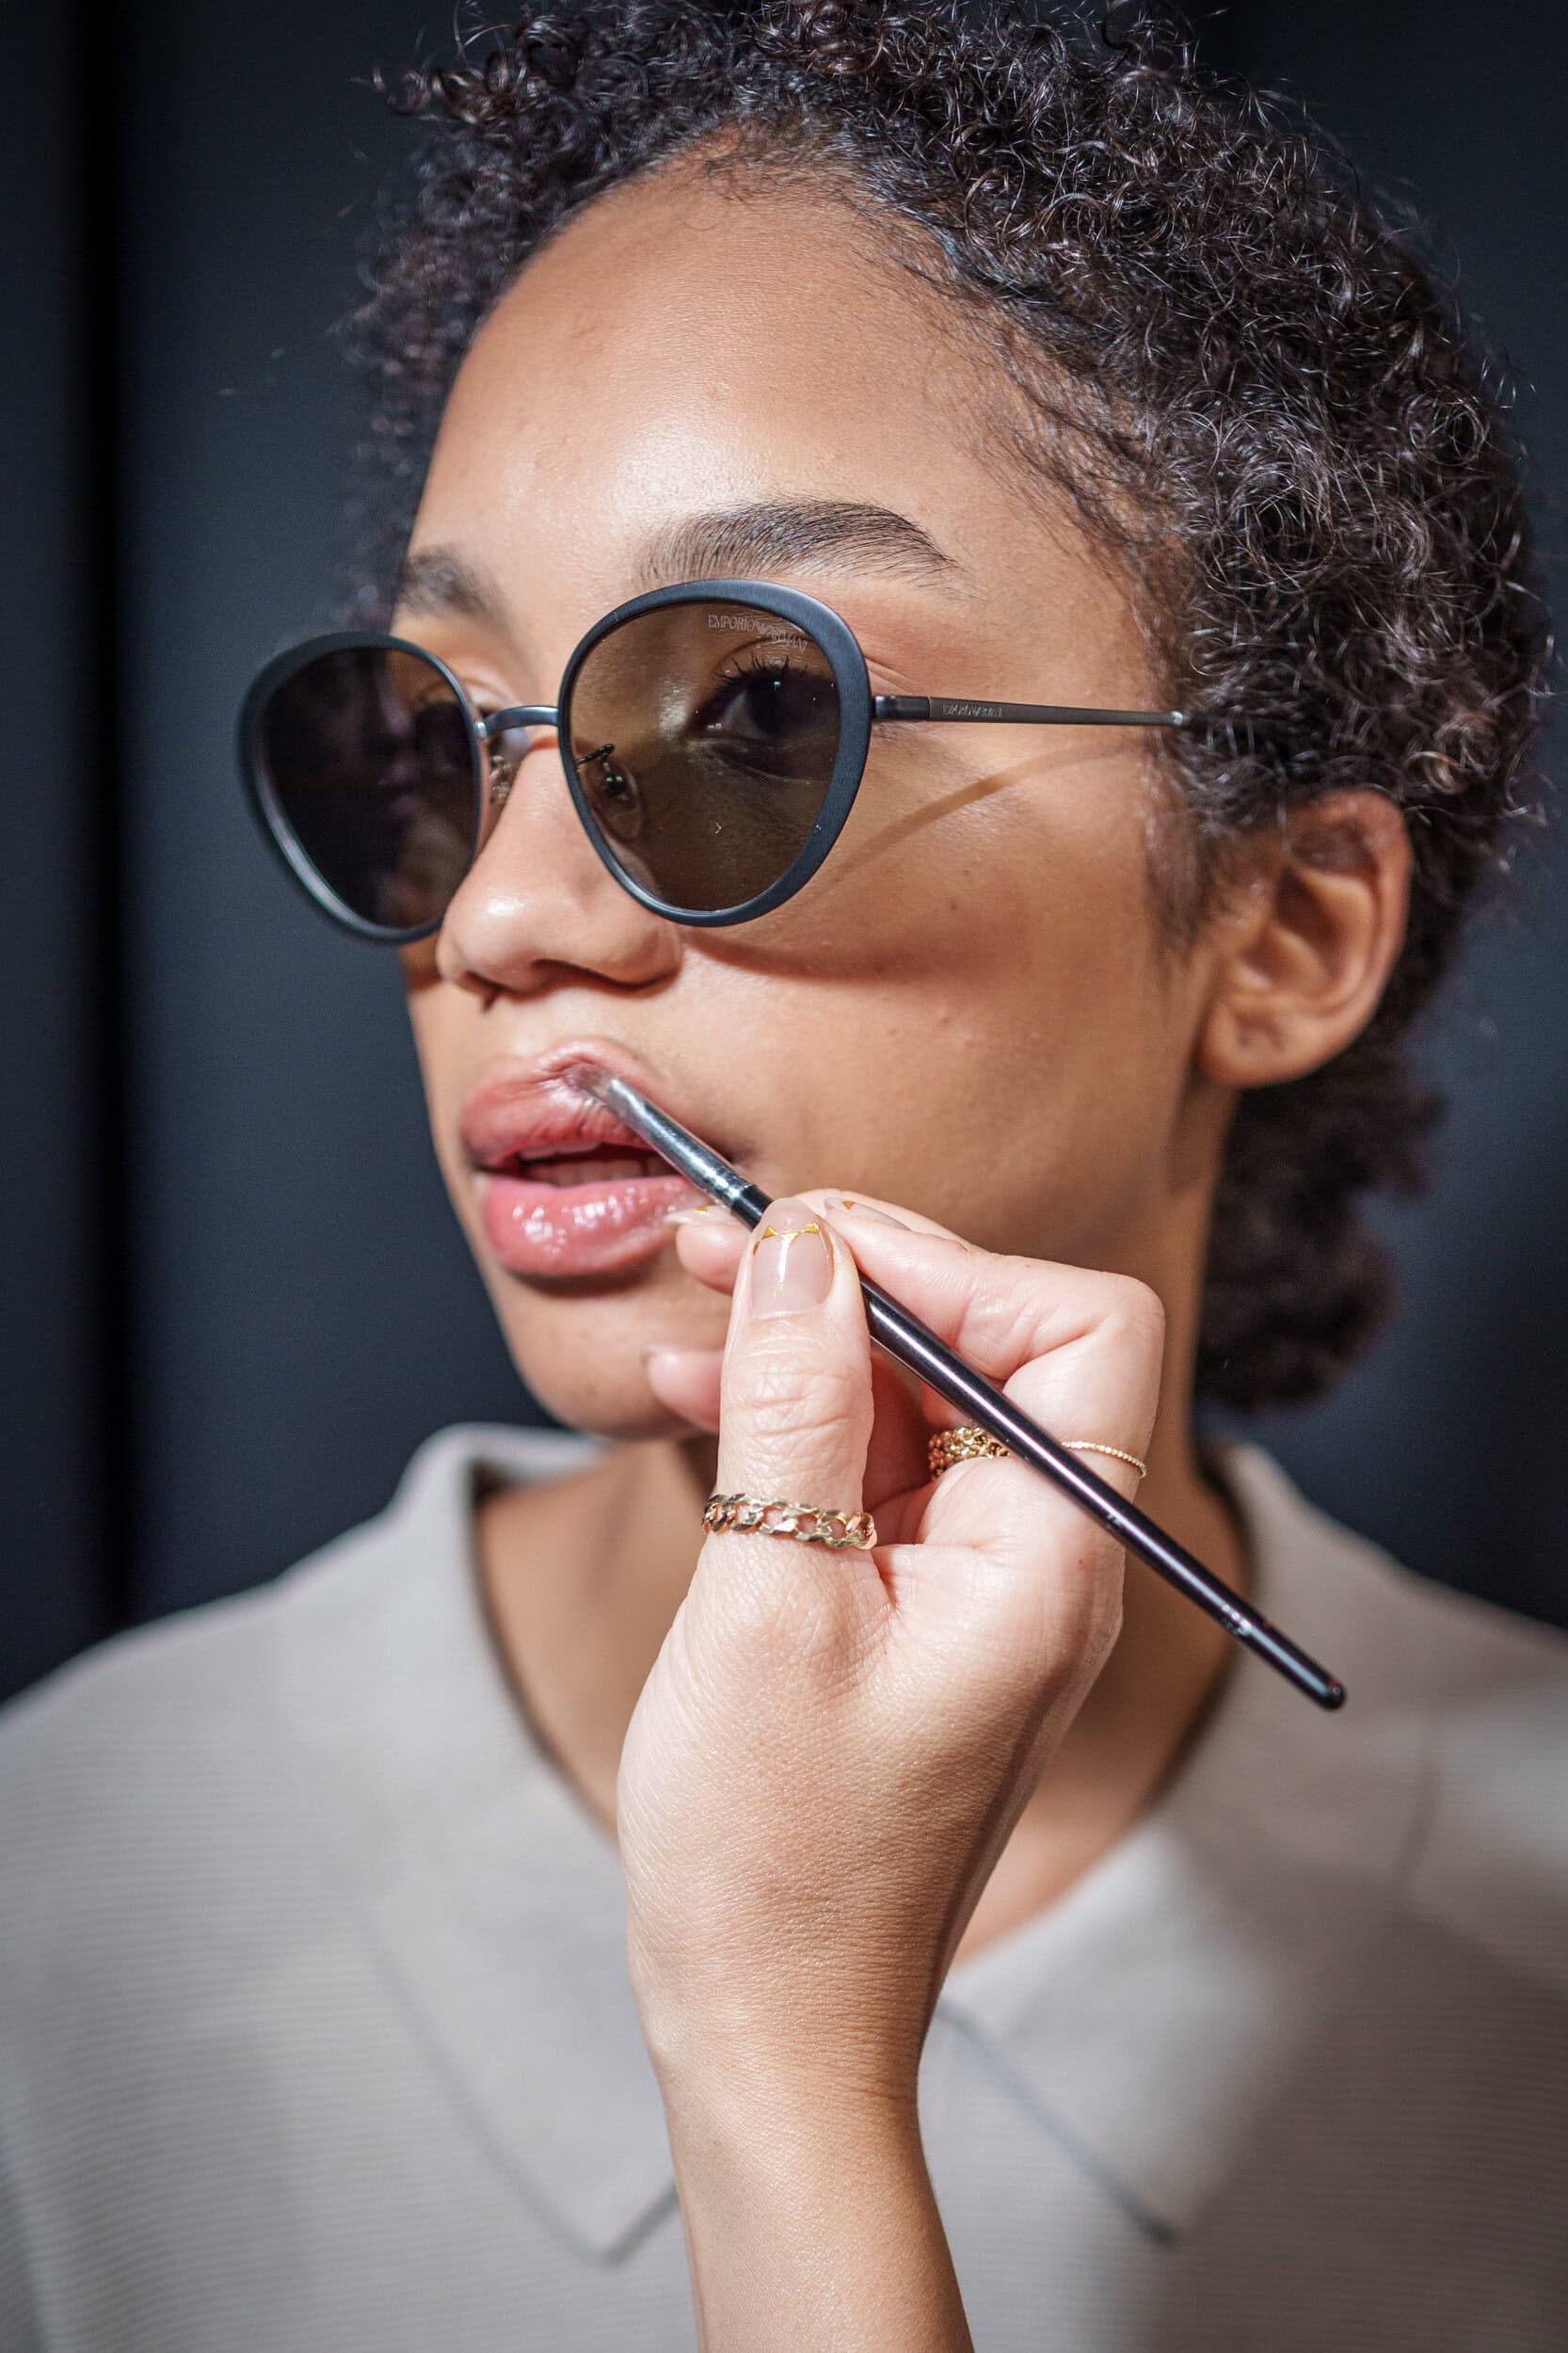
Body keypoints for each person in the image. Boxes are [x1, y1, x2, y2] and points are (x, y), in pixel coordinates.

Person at [4, 5, 1566, 2347]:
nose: (498, 919)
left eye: (750, 713)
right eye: (432, 736)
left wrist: (776, 2045)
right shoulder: (67, 1886)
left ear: (1280, 929)